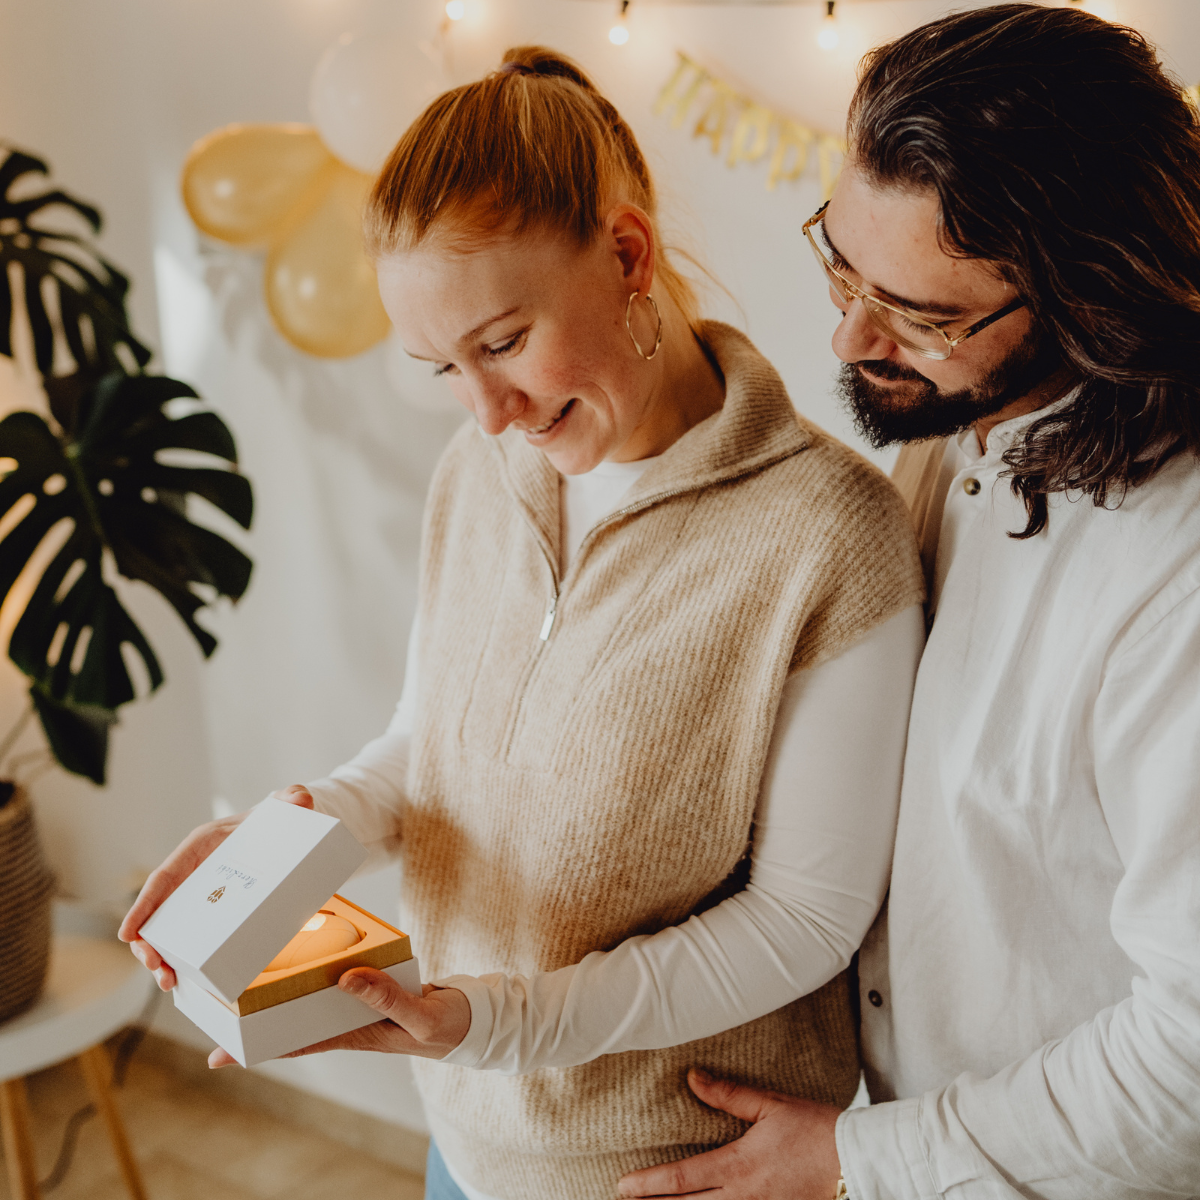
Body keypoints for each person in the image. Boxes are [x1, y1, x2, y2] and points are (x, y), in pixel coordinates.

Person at [120, 47, 926, 1200]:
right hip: (468, 1141)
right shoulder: (479, 469)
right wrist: (289, 843)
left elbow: (803, 922)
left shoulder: (829, 536)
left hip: (669, 1172)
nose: (487, 409)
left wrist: (491, 1020)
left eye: (501, 343)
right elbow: (429, 741)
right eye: (443, 366)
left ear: (629, 255)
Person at [613, 5, 1200, 1198]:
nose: (847, 332)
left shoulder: (1174, 582)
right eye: (840, 259)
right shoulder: (957, 435)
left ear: (1095, 296)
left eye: (922, 317)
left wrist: (861, 1163)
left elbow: (1191, 1061)